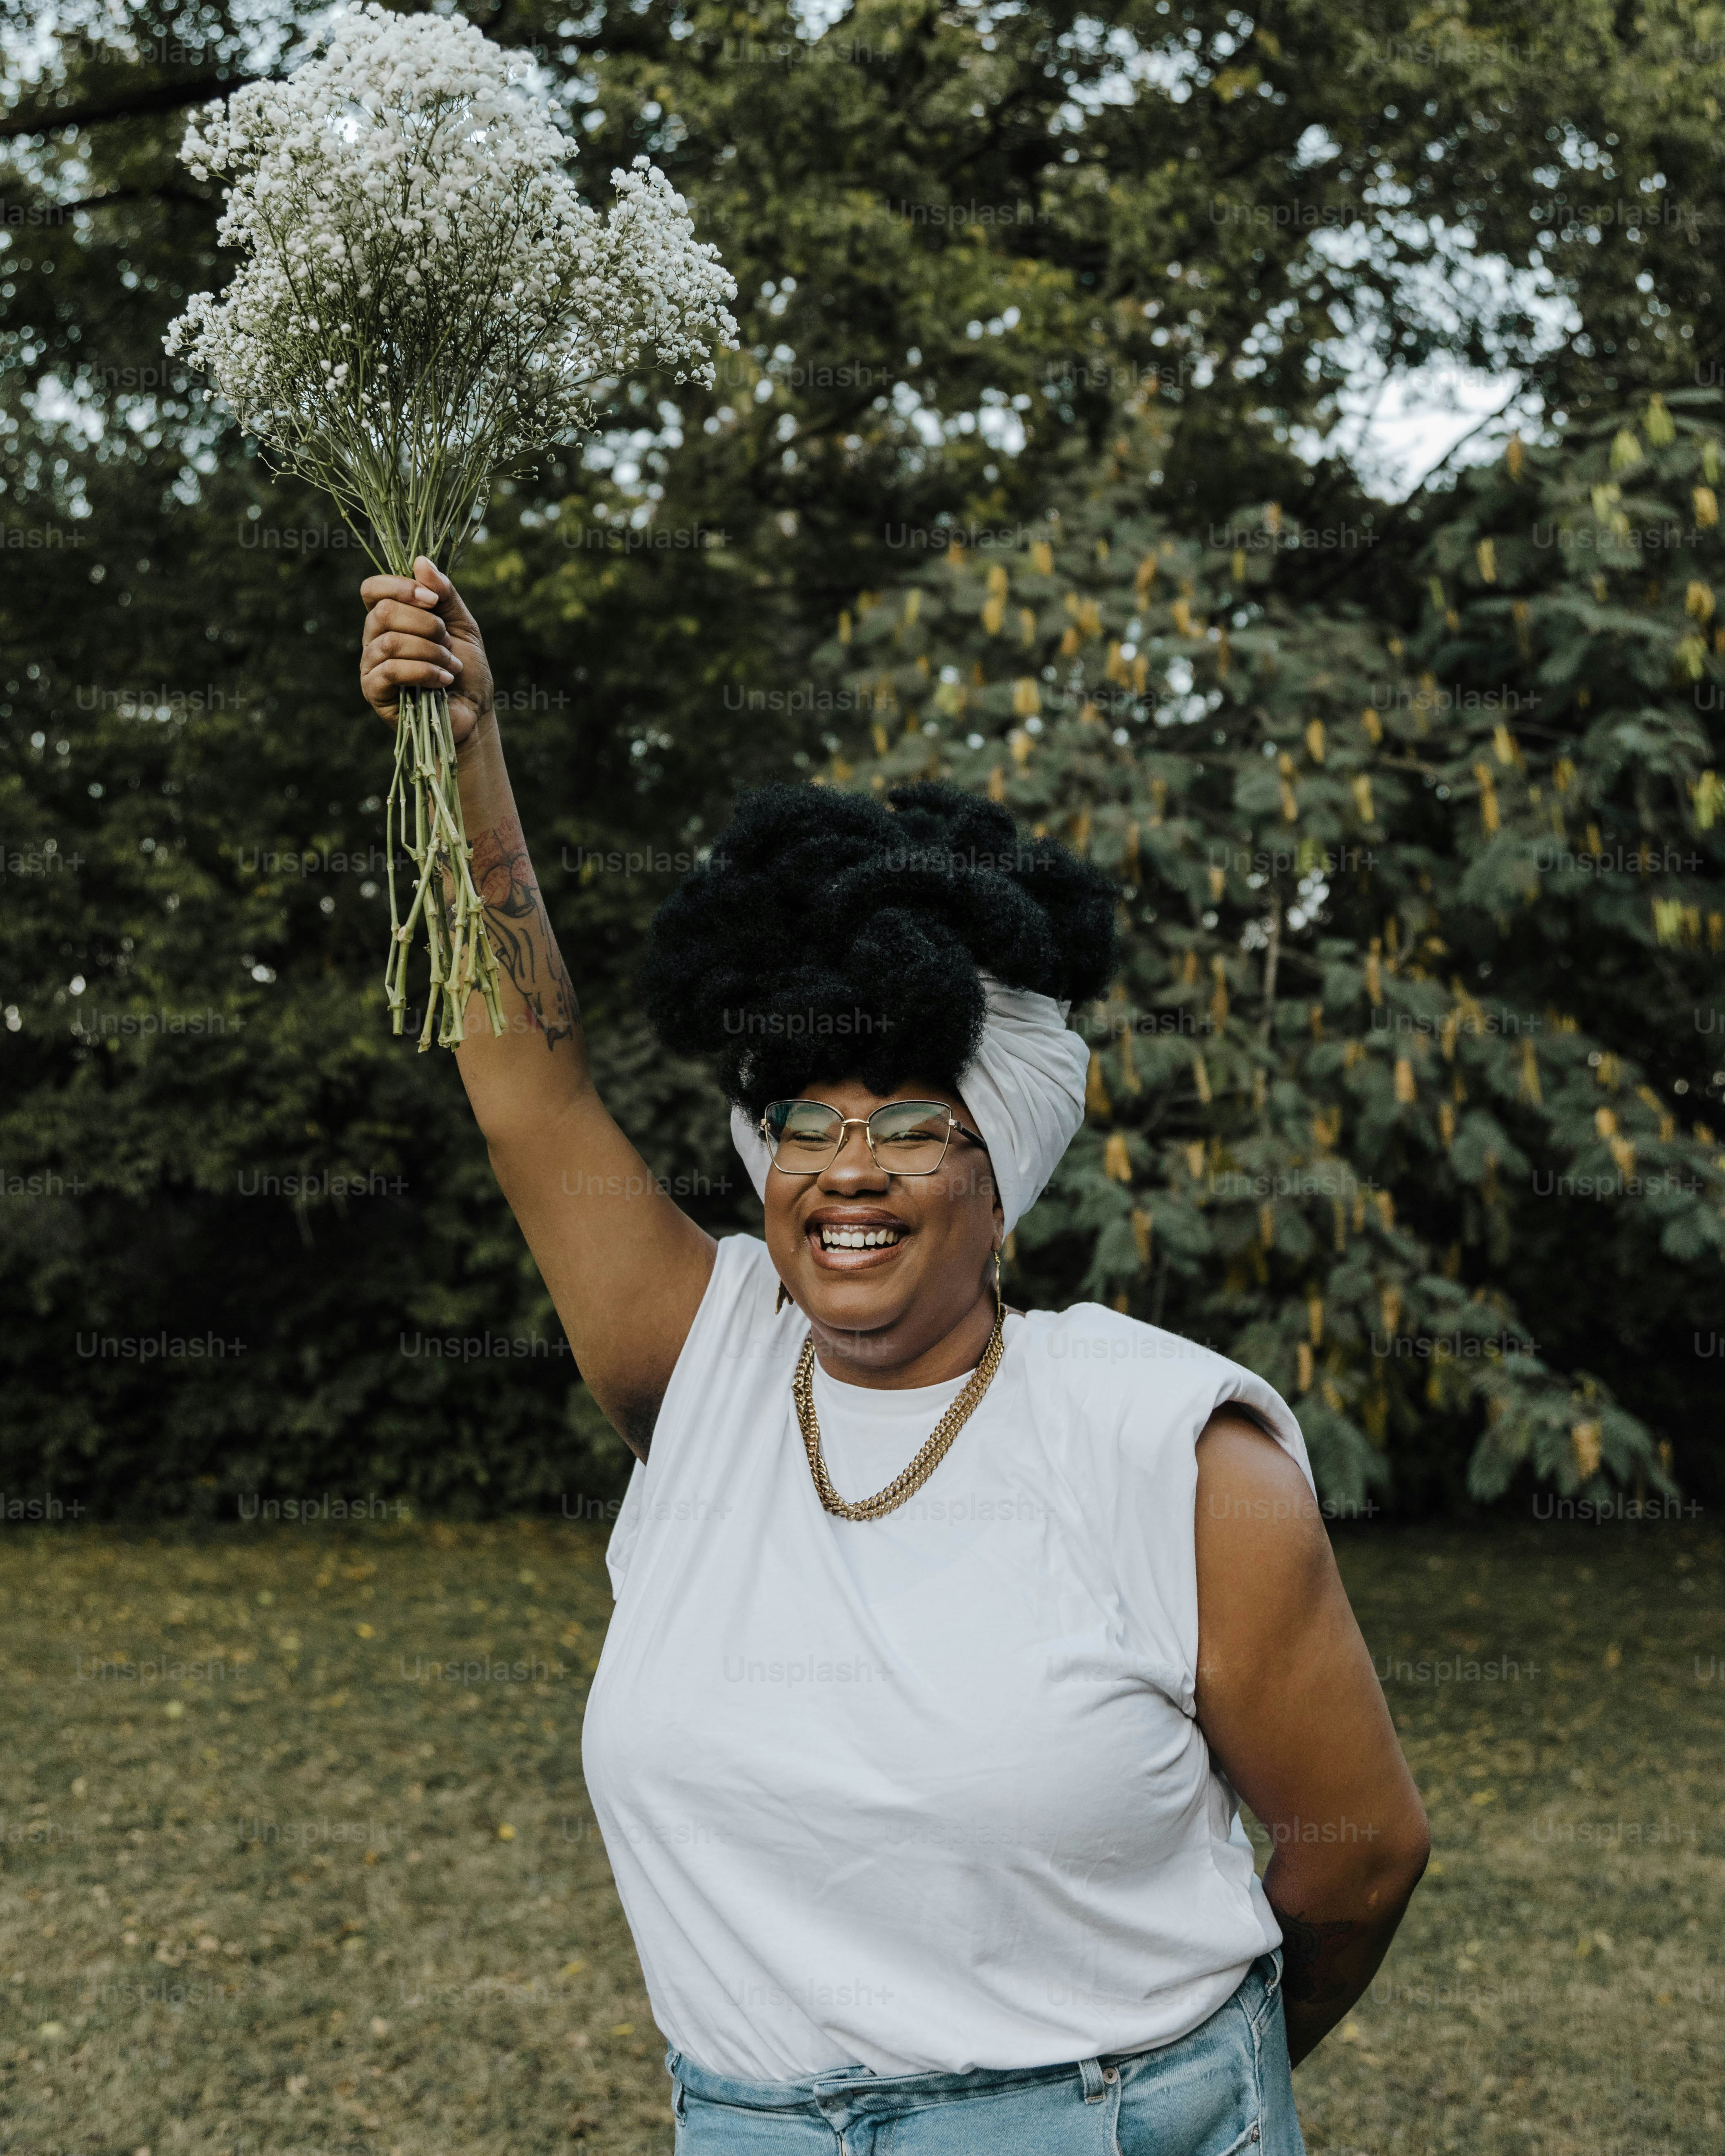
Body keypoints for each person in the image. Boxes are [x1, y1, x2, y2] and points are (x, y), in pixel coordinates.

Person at [358, 557, 1430, 2156]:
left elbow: (1358, 1856)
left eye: (911, 1127)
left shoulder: (1174, 1448)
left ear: (1001, 1171)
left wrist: (1187, 2096)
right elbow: (532, 1086)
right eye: (808, 1120)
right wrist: (462, 745)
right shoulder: (707, 1358)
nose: (847, 1171)